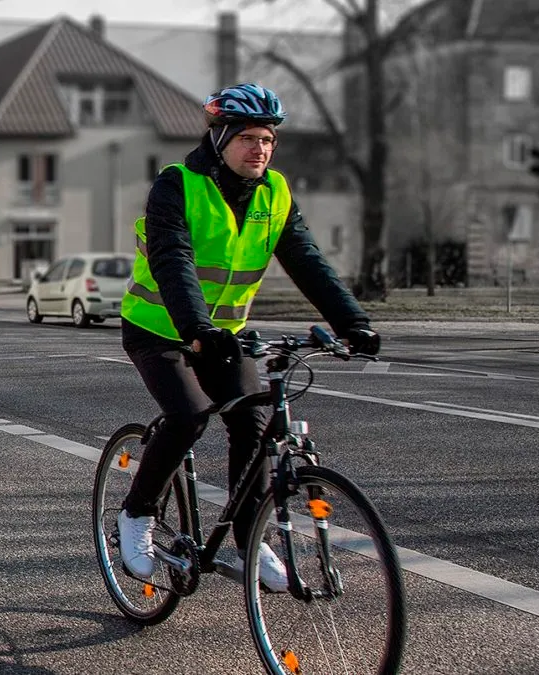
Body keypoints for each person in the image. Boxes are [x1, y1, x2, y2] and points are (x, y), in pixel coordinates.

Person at [117, 82, 380, 590]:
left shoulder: (275, 193)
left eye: (267, 139)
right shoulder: (177, 186)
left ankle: (248, 537)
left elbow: (306, 260)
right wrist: (195, 328)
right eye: (247, 138)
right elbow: (173, 259)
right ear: (219, 138)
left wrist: (353, 321)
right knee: (189, 414)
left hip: (224, 334)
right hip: (157, 329)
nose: (259, 148)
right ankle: (137, 514)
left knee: (254, 424)